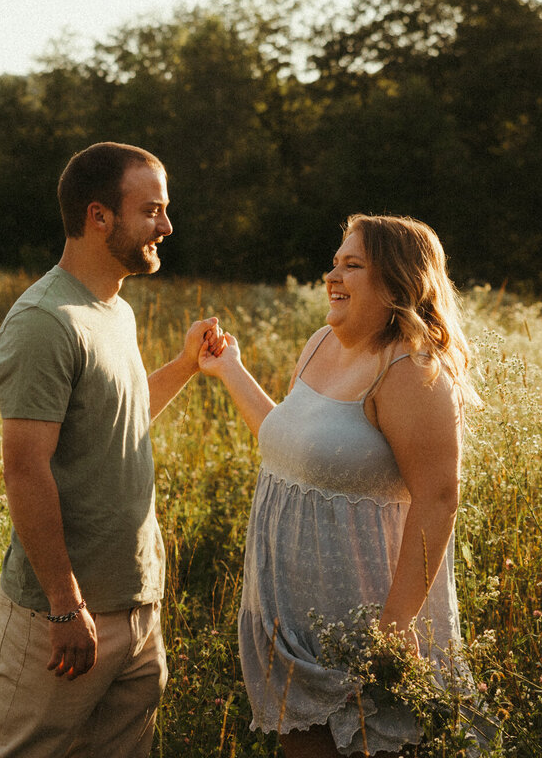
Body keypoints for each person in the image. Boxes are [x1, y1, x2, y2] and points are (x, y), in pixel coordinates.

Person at [198, 214, 482, 757]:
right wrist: (231, 369)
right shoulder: (321, 343)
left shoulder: (411, 368)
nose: (333, 275)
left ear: (399, 281)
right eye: (334, 262)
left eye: (353, 265)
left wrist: (394, 632)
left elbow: (439, 498)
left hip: (363, 631)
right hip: (292, 625)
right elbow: (295, 447)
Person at [0, 142, 222, 758]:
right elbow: (24, 469)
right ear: (99, 216)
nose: (166, 227)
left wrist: (187, 366)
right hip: (67, 615)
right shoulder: (44, 320)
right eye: (152, 211)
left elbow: (125, 416)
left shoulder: (113, 310)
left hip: (137, 605)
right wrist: (65, 606)